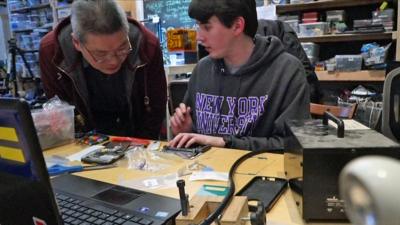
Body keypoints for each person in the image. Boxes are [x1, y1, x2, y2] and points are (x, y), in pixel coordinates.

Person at [169, 0, 310, 151]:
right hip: (205, 171)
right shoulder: (202, 69)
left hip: (259, 171)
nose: (199, 37)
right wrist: (186, 130)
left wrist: (226, 142)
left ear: (237, 26)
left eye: (207, 27)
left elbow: (292, 147)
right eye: (198, 27)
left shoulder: (287, 72)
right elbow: (199, 140)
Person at [39, 0, 167, 139]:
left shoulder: (146, 45)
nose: (113, 61)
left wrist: (142, 148)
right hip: (85, 141)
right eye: (101, 54)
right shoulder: (52, 51)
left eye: (122, 48)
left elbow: (155, 109)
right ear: (76, 42)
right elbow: (60, 111)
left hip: (137, 136)